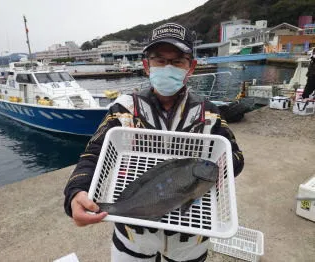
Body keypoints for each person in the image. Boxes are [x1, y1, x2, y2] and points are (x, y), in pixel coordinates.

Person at [64, 22, 244, 262]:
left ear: (191, 67)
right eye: (160, 60)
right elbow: (93, 154)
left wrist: (218, 165)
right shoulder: (124, 109)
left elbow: (237, 158)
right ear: (147, 66)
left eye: (178, 61)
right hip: (133, 233)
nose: (168, 67)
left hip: (191, 235)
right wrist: (76, 191)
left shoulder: (210, 113)